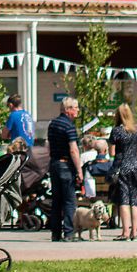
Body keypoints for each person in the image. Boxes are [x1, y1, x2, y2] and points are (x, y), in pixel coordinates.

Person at [109, 104, 137, 242]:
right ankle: (134, 233)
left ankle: (125, 232)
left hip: (122, 167)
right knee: (135, 201)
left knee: (124, 201)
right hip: (136, 167)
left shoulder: (116, 131)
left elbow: (112, 152)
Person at [48, 98, 83, 242]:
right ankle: (69, 233)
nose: (78, 110)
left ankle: (55, 233)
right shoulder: (69, 126)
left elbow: (49, 145)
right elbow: (73, 150)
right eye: (75, 107)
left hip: (54, 164)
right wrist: (79, 170)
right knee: (69, 201)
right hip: (65, 165)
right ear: (68, 109)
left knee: (56, 200)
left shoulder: (53, 124)